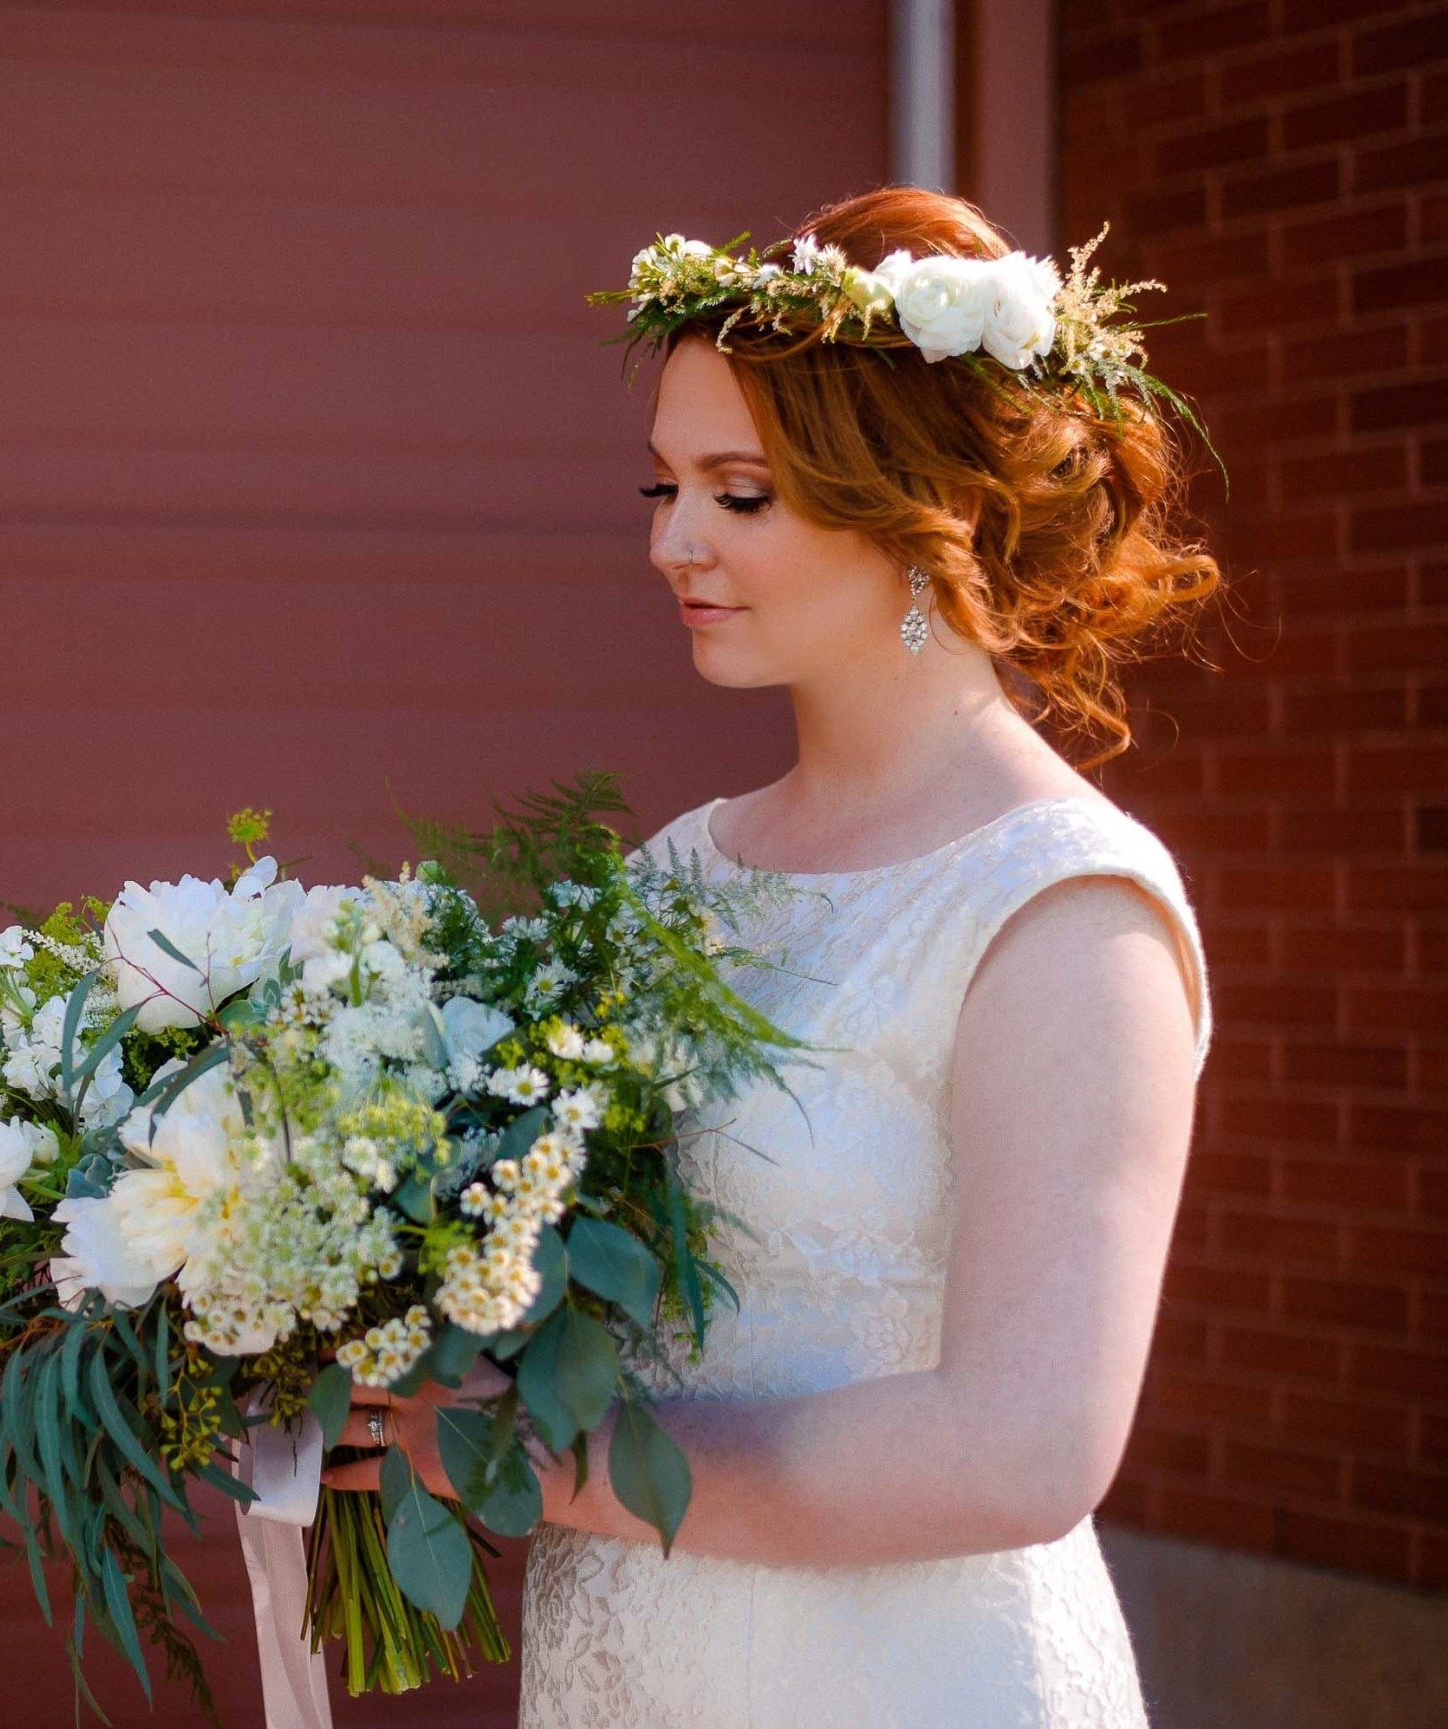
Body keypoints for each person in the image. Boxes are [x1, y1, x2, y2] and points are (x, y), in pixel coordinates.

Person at [317, 185, 1224, 1725]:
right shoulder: (679, 870)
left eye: (742, 494)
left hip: (902, 1676)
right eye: (664, 486)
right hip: (631, 1662)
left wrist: (549, 1456)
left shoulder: (1067, 913)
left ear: (925, 508)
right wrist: (356, 1302)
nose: (676, 541)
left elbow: (1026, 1444)